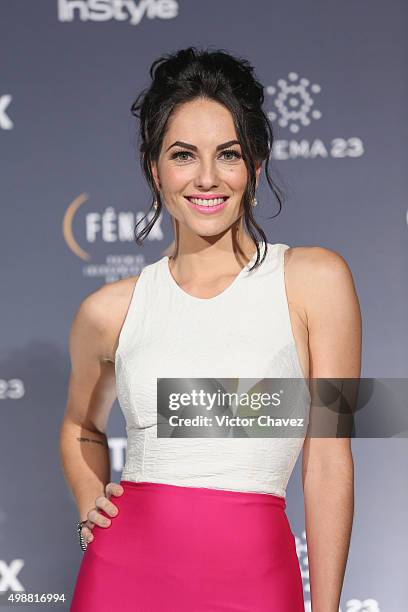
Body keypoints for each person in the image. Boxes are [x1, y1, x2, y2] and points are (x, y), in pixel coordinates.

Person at [60, 46, 361, 611]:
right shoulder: (110, 310)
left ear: (256, 165)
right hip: (122, 577)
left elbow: (328, 457)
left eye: (228, 154)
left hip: (255, 576)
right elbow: (81, 429)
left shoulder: (317, 281)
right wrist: (88, 506)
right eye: (182, 155)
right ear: (155, 168)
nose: (206, 178)